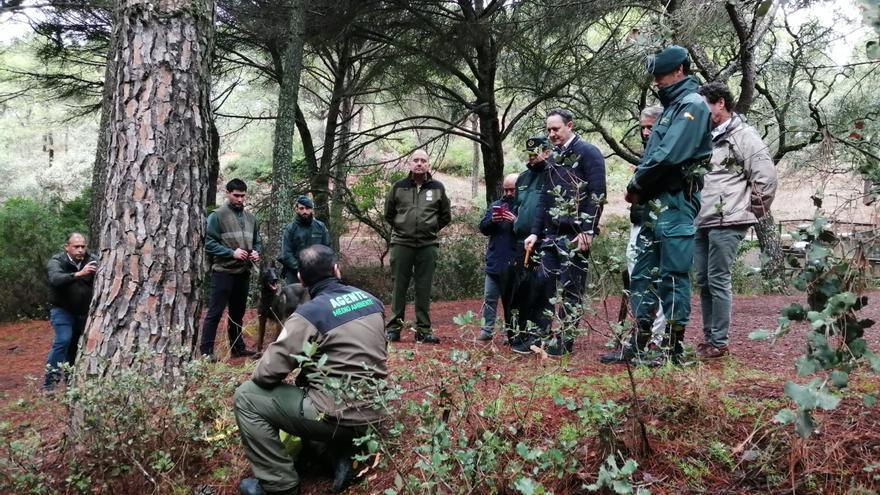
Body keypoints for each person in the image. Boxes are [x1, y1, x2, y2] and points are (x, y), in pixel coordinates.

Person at [235, 245, 388, 495]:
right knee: (311, 380)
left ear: (301, 279)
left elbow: (265, 374)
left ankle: (279, 485)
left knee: (246, 397)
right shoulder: (372, 301)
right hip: (376, 410)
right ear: (336, 270)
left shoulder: (308, 315)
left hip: (338, 415)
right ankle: (337, 456)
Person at [623, 45, 713, 365]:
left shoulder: (691, 106)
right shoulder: (672, 108)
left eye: (661, 74)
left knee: (673, 276)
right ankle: (637, 346)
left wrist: (636, 184)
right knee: (643, 275)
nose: (657, 80)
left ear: (679, 71)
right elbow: (654, 154)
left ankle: (671, 351)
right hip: (654, 205)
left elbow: (669, 156)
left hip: (675, 202)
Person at [694, 81, 777, 359]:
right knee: (704, 279)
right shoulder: (703, 136)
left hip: (728, 218)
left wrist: (751, 210)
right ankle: (709, 338)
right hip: (702, 218)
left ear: (720, 103)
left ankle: (719, 341)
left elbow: (765, 176)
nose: (701, 112)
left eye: (705, 105)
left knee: (718, 278)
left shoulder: (744, 135)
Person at [520, 108, 607, 356]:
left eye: (556, 129)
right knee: (543, 284)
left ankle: (565, 341)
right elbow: (544, 200)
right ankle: (540, 337)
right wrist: (535, 232)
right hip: (550, 234)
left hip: (575, 234)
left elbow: (597, 195)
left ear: (570, 125)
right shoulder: (553, 157)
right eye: (548, 130)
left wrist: (588, 231)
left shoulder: (589, 153)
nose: (552, 134)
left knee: (571, 289)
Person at [600, 105, 668, 364]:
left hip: (661, 226)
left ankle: (659, 340)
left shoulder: (669, 153)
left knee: (661, 282)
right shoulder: (647, 155)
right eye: (643, 127)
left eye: (651, 126)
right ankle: (639, 339)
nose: (646, 132)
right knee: (638, 280)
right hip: (638, 223)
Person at [383, 149, 451, 344]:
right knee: (399, 286)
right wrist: (403, 228)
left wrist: (430, 229)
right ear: (409, 164)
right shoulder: (398, 186)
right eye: (416, 160)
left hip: (428, 245)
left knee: (424, 288)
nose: (419, 163)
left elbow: (445, 215)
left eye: (423, 160)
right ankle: (394, 329)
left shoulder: (437, 187)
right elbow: (389, 213)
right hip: (402, 244)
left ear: (428, 165)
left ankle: (423, 330)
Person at [201, 178, 262, 360]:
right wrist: (231, 253)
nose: (240, 199)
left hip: (243, 272)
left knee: (238, 313)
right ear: (228, 193)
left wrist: (256, 252)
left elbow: (257, 241)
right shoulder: (217, 216)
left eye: (243, 196)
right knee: (215, 312)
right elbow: (208, 243)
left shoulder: (251, 218)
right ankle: (206, 352)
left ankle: (237, 348)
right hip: (223, 272)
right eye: (236, 195)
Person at [43, 232, 97, 390]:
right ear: (67, 247)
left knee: (74, 348)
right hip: (61, 310)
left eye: (83, 246)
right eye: (76, 247)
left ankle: (70, 384)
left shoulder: (92, 260)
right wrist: (78, 274)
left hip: (82, 313)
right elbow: (55, 279)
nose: (80, 250)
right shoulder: (57, 261)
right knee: (63, 340)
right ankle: (50, 384)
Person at [476, 173, 518, 341]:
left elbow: (528, 230)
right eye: (506, 190)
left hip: (513, 262)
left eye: (512, 190)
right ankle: (486, 331)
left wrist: (516, 220)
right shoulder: (496, 205)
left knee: (513, 302)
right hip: (494, 261)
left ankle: (512, 333)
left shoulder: (522, 207)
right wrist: (492, 220)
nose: (508, 193)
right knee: (489, 298)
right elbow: (483, 228)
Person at [279, 195, 331, 285]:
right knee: (295, 298)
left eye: (307, 208)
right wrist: (300, 269)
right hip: (295, 274)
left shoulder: (320, 227)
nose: (305, 211)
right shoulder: (290, 228)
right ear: (296, 209)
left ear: (312, 209)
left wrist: (321, 268)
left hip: (317, 273)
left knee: (318, 298)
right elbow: (286, 254)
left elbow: (327, 249)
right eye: (301, 208)